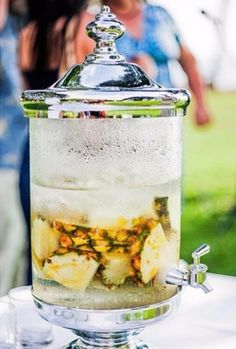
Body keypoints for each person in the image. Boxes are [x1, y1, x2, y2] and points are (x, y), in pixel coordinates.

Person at [19, 0, 88, 283]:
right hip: (72, 149)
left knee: (37, 241)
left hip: (34, 148)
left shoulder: (28, 34)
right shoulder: (81, 27)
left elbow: (27, 93)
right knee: (74, 243)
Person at [75, 0, 212, 126]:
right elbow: (84, 77)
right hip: (120, 119)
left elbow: (188, 60)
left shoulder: (160, 15)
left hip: (165, 116)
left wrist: (201, 104)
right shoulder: (92, 24)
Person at [0, 0, 27, 296]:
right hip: (3, 158)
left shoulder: (14, 25)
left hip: (18, 150)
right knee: (11, 236)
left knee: (15, 240)